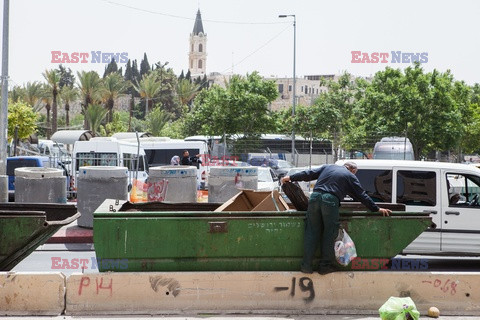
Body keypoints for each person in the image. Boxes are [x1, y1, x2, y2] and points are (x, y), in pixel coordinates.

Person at [281, 161, 392, 275]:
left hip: (314, 198)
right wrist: (376, 209)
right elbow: (361, 195)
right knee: (330, 233)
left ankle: (306, 266)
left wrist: (290, 177)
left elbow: (309, 173)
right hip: (329, 201)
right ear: (352, 170)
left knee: (311, 232)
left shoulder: (328, 167)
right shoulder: (350, 176)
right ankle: (325, 266)